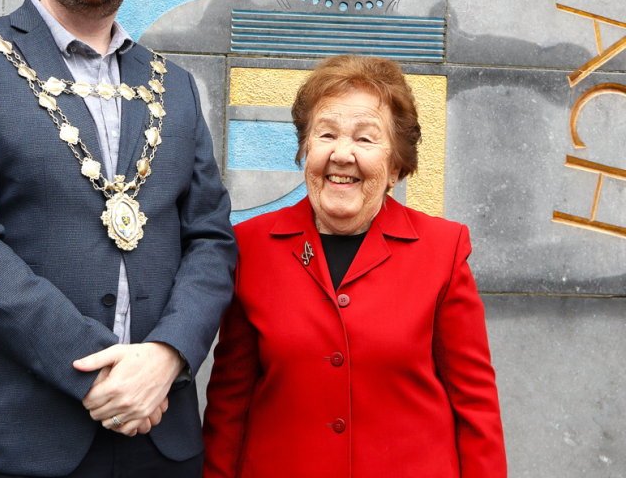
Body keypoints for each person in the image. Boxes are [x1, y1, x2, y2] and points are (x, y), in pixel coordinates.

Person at [0, 0, 237, 476]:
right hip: (20, 439)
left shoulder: (175, 85)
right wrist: (94, 369)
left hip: (161, 435)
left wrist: (168, 355)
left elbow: (210, 240)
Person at [202, 55, 507, 477]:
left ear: (395, 167)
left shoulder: (443, 250)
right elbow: (228, 406)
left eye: (365, 139)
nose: (341, 154)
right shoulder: (251, 247)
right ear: (305, 150)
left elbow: (475, 407)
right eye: (326, 134)